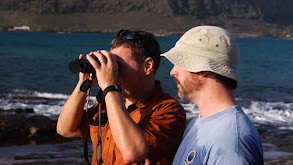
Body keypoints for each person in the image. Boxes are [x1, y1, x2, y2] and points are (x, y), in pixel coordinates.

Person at [57, 30, 186, 165]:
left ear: (147, 66)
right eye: (112, 66)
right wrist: (84, 83)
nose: (114, 72)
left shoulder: (169, 110)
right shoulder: (108, 105)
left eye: (119, 67)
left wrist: (109, 86)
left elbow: (133, 153)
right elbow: (66, 129)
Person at [161, 26, 264, 164]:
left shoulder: (230, 142)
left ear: (203, 69)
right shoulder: (199, 123)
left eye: (180, 62)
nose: (173, 71)